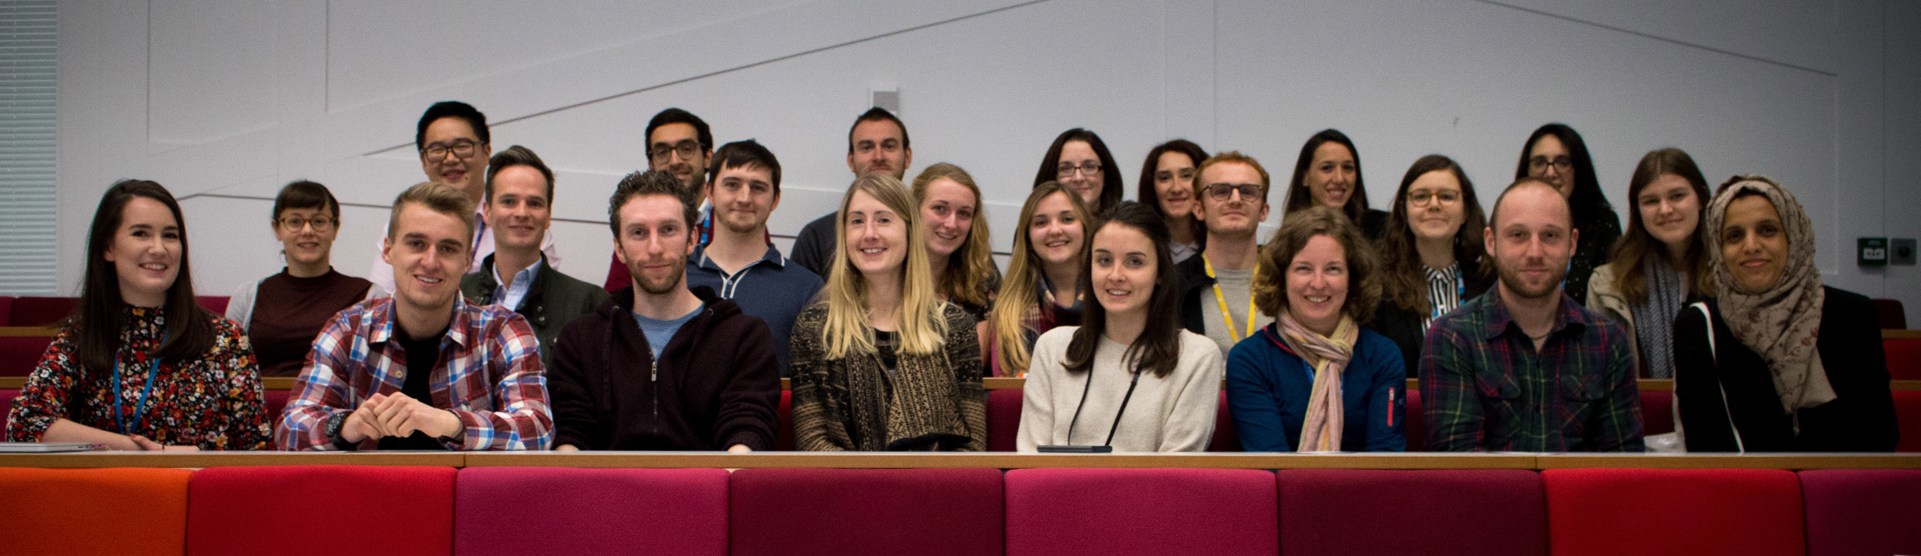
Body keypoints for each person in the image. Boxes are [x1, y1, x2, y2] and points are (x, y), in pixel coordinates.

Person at [277, 182, 553, 451]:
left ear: (466, 261)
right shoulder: (347, 329)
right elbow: (289, 429)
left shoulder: (502, 330)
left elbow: (537, 430)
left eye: (448, 248)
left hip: (463, 484)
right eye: (417, 244)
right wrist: (346, 426)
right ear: (388, 250)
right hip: (366, 483)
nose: (430, 262)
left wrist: (449, 423)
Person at [6, 180, 268, 450]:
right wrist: (142, 451)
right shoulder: (80, 338)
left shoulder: (226, 340)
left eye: (170, 235)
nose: (159, 248)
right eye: (141, 233)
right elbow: (24, 423)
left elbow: (259, 451)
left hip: (201, 478)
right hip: (112, 478)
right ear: (108, 247)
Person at [548, 170, 780, 452]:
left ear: (692, 239)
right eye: (638, 233)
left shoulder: (743, 337)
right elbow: (572, 438)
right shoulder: (580, 340)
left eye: (668, 230)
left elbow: (746, 432)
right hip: (607, 481)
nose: (655, 248)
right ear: (619, 248)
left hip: (713, 479)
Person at [1673, 176, 1897, 452]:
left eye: (1767, 230)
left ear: (1794, 236)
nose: (1751, 246)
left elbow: (1880, 434)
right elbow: (1706, 444)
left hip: (1840, 477)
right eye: (1734, 236)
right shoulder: (1697, 325)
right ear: (1719, 249)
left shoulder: (1852, 314)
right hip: (1746, 479)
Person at [1420, 178, 1642, 452]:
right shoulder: (1453, 337)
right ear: (1491, 241)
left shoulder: (1607, 340)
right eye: (1518, 235)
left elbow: (1621, 461)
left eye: (1550, 236)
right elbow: (1462, 464)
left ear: (1572, 243)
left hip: (1582, 484)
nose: (1535, 252)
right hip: (1486, 485)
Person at [789, 174, 984, 451]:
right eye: (857, 221)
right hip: (841, 479)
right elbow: (813, 442)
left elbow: (972, 446)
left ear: (910, 231)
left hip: (936, 479)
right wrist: (878, 478)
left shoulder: (954, 327)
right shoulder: (815, 327)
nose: (869, 233)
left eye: (883, 219)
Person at [1017, 202, 1223, 452]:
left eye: (1134, 262)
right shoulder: (1052, 348)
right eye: (1104, 260)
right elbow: (1030, 458)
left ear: (1160, 272)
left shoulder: (1197, 357)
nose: (1115, 275)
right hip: (1053, 480)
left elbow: (1175, 468)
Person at [1227, 206, 1403, 452]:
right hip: (1283, 478)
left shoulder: (1381, 355)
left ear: (1352, 279)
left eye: (1333, 269)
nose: (1318, 283)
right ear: (1281, 278)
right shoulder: (1251, 359)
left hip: (1365, 479)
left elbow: (1385, 458)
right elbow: (1271, 461)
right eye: (1304, 268)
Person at [372, 101, 559, 293]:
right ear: (423, 161)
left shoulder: (520, 222)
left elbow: (544, 294)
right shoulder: (405, 223)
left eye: (462, 147)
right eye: (437, 150)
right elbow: (382, 295)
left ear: (486, 152)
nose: (450, 159)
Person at [459, 146, 609, 369]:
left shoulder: (589, 303)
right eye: (509, 201)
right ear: (487, 212)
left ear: (548, 215)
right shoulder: (456, 295)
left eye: (534, 203)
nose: (522, 213)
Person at [684, 140, 823, 376]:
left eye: (758, 187)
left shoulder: (807, 289)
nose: (744, 198)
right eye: (732, 184)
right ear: (710, 192)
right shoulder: (677, 274)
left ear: (775, 199)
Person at [228, 181, 384, 377]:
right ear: (277, 229)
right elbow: (228, 369)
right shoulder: (248, 296)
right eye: (295, 221)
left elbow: (381, 371)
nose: (307, 231)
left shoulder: (370, 296)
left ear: (335, 228)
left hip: (339, 397)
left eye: (319, 221)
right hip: (263, 398)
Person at [1587, 148, 1714, 379]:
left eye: (1677, 196)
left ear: (1701, 198)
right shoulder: (1608, 284)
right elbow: (1599, 374)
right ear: (1637, 210)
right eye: (1651, 201)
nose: (1665, 210)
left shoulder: (1730, 276)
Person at [1368, 155, 1494, 378]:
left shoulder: (1491, 284)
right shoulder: (1379, 289)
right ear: (1404, 211)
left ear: (1465, 211)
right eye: (1421, 197)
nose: (1434, 205)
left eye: (1446, 196)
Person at [986, 182, 1094, 377]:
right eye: (1041, 223)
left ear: (1085, 227)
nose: (1055, 230)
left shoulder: (1108, 300)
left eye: (1067, 219)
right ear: (1028, 237)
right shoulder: (1008, 313)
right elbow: (1006, 389)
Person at [790, 107, 913, 278]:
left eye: (889, 146)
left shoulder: (928, 229)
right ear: (851, 161)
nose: (878, 156)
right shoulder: (816, 237)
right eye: (867, 147)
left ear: (907, 157)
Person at [605, 107, 716, 290]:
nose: (675, 161)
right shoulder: (638, 226)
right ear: (650, 164)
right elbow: (616, 296)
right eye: (662, 152)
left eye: (686, 149)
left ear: (707, 158)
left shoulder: (733, 219)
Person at [1178, 151, 1276, 356]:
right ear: (1198, 209)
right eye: (1221, 191)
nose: (1235, 199)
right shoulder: (1174, 285)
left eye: (1248, 192)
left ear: (1264, 211)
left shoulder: (1286, 279)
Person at [1515, 123, 1620, 304]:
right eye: (1539, 163)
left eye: (1562, 162)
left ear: (1579, 168)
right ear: (1526, 170)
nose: (1550, 172)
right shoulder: (1511, 223)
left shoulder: (1603, 223)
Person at [912, 162, 999, 321]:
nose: (951, 224)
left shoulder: (981, 277)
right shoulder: (885, 275)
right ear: (914, 209)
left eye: (964, 213)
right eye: (940, 208)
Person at [1281, 129, 1387, 239]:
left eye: (1348, 168)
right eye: (1327, 168)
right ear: (1304, 177)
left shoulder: (1384, 231)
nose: (1339, 179)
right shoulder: (1289, 238)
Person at [1136, 139, 1209, 264]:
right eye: (1165, 178)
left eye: (1186, 176)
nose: (1176, 188)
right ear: (1152, 187)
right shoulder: (1139, 247)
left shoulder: (1223, 243)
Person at [1033, 128, 1123, 215]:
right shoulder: (1030, 225)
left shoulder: (1125, 224)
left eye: (1089, 167)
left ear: (1107, 175)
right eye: (1066, 169)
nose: (1078, 178)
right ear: (1052, 177)